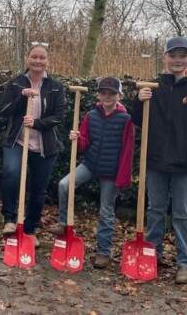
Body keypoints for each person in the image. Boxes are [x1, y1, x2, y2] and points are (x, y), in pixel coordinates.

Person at [132, 36, 187, 284]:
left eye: (183, 55)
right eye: (173, 55)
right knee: (155, 210)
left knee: (182, 214)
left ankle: (184, 263)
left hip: (184, 165)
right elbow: (138, 120)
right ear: (165, 58)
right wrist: (139, 101)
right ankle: (153, 254)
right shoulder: (154, 86)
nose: (177, 60)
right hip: (156, 161)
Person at [49, 77, 135, 269]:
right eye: (103, 93)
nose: (107, 97)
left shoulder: (125, 119)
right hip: (90, 164)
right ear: (98, 94)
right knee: (65, 185)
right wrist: (76, 138)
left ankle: (103, 252)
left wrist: (122, 177)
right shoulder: (91, 115)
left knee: (106, 211)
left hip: (111, 172)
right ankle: (63, 222)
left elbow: (128, 150)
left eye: (112, 93)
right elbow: (83, 144)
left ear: (120, 95)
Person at [0, 42, 65, 244]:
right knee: (11, 173)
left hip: (46, 145)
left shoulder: (55, 86)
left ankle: (30, 230)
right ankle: (10, 219)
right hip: (17, 140)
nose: (37, 61)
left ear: (47, 61)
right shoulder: (16, 83)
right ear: (27, 59)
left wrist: (36, 123)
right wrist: (21, 96)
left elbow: (59, 116)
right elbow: (3, 110)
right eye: (34, 57)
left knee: (38, 188)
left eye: (42, 57)